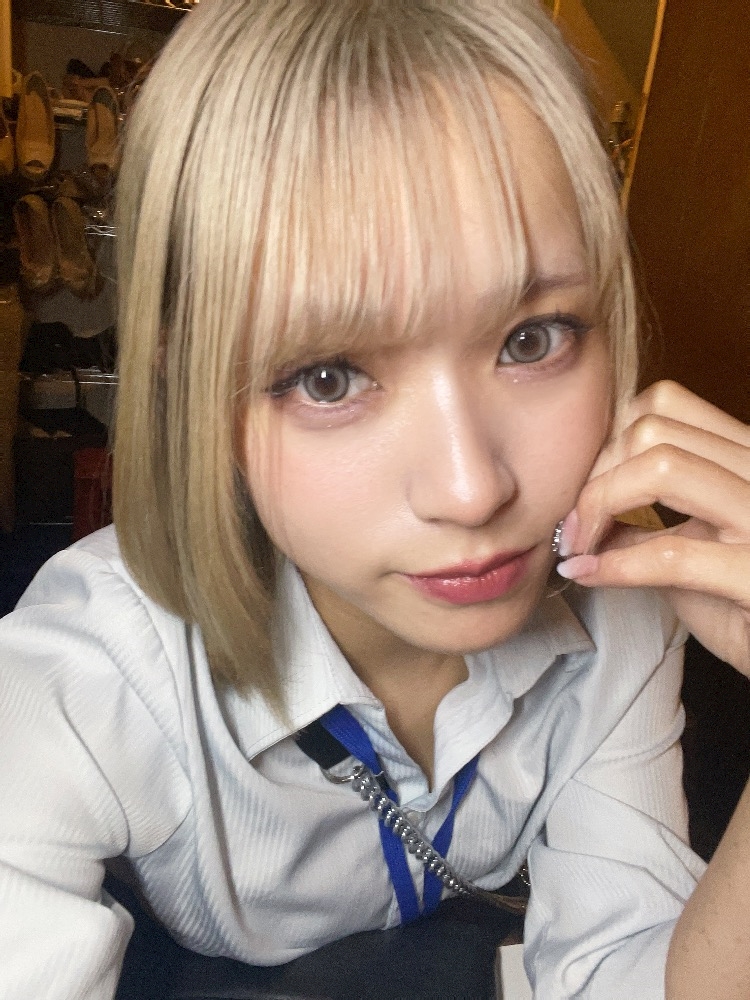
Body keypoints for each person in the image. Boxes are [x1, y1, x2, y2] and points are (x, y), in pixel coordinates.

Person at [0, 1, 747, 998]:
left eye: (531, 339)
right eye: (329, 377)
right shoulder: (86, 673)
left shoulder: (626, 605)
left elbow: (629, 975)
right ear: (197, 395)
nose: (472, 489)